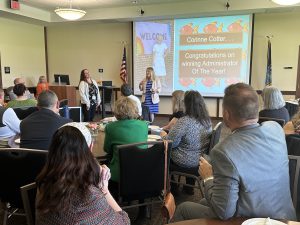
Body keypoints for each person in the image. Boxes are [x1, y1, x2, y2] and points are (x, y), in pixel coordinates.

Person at [173, 83, 296, 221]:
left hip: (252, 220)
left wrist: (208, 177)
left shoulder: (223, 151)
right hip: (285, 217)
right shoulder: (276, 129)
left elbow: (223, 212)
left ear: (226, 114)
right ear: (256, 109)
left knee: (184, 208)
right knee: (203, 202)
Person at [35, 122, 130, 225]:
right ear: (90, 148)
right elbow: (124, 222)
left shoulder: (44, 183)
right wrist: (104, 190)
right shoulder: (89, 197)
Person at [161, 90, 212, 195]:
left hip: (185, 161)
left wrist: (163, 135)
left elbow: (170, 143)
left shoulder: (185, 121)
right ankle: (189, 188)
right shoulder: (207, 120)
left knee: (160, 154)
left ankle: (173, 188)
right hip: (201, 160)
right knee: (191, 146)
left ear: (187, 104)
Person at [104, 97, 148, 194]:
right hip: (141, 170)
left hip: (118, 174)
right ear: (134, 109)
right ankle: (144, 206)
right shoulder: (144, 125)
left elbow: (107, 149)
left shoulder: (110, 127)